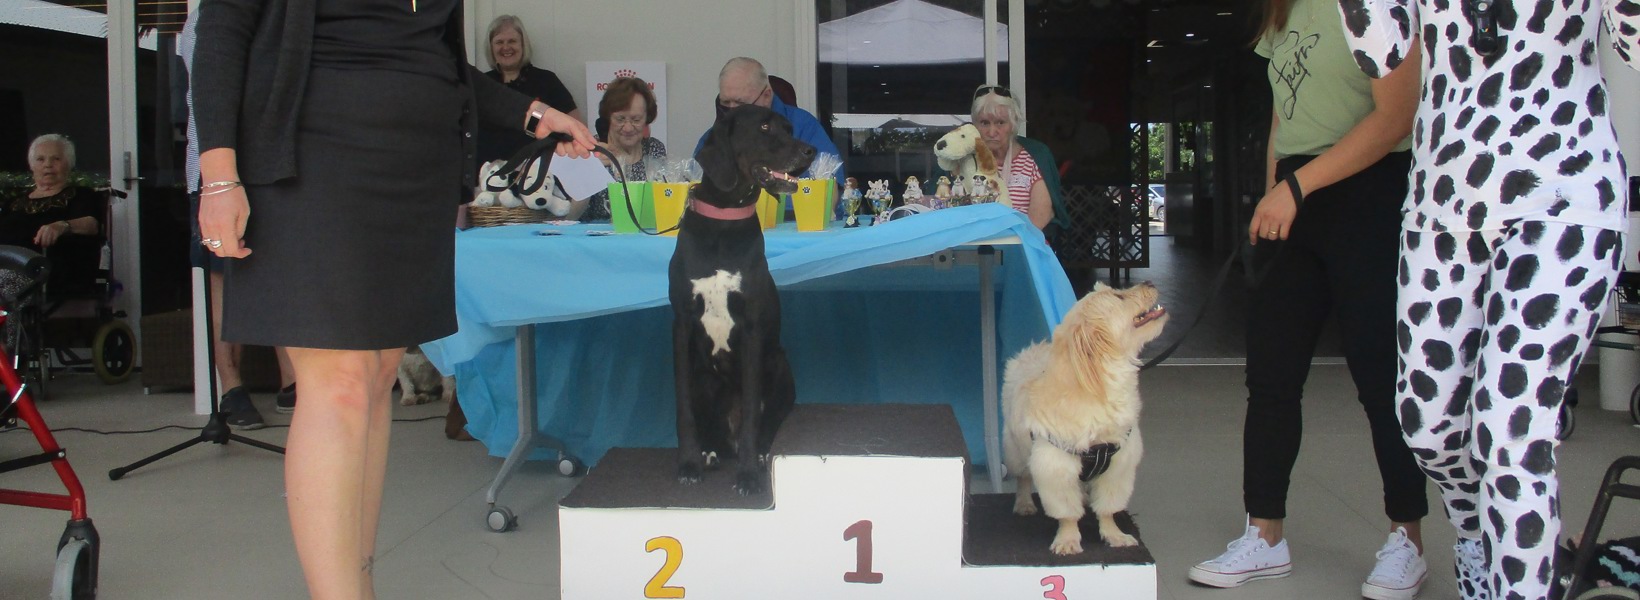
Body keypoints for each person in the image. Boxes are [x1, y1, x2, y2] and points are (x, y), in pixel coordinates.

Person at [192, 0, 594, 597]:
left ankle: (359, 586)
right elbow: (224, 32)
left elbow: (437, 57)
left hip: (416, 170)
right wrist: (220, 176)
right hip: (313, 156)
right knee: (339, 384)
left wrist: (533, 113)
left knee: (378, 377)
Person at [1340, 0, 1640, 598]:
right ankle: (1479, 533)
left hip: (1564, 198)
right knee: (1426, 427)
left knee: (1510, 431)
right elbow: (1380, 53)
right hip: (1441, 206)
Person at [1185, 0, 1428, 597]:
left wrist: (1296, 187)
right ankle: (1264, 535)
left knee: (1380, 376)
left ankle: (1407, 538)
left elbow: (1396, 118)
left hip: (1368, 192)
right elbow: (1283, 117)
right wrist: (1273, 192)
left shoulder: (1379, 8)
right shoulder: (1283, 11)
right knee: (1271, 375)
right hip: (1295, 196)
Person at [179, 9, 296, 430]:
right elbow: (214, 86)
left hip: (273, 167)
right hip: (218, 173)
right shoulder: (206, 19)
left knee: (283, 276)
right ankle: (232, 388)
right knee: (224, 281)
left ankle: (291, 382)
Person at [695, 57, 844, 199]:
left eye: (741, 104)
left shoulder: (804, 126)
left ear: (766, 96)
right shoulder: (715, 137)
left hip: (795, 216)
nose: (732, 112)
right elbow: (697, 190)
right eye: (725, 103)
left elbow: (830, 191)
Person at [476, 14, 581, 166]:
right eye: (499, 42)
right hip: (487, 175)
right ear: (491, 48)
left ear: (523, 45)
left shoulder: (546, 81)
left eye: (512, 41)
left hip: (536, 173)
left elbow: (575, 126)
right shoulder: (482, 84)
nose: (506, 47)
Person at [969, 85, 1065, 232]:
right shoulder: (965, 159)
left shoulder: (1034, 156)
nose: (992, 132)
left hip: (1022, 239)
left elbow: (1040, 217)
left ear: (1013, 124)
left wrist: (1008, 241)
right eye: (984, 123)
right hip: (973, 241)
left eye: (1000, 122)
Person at [584, 76, 667, 222]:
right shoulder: (590, 150)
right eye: (620, 119)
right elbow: (570, 215)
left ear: (647, 119)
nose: (628, 128)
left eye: (636, 120)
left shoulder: (654, 149)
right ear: (608, 117)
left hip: (645, 232)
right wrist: (589, 172)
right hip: (597, 234)